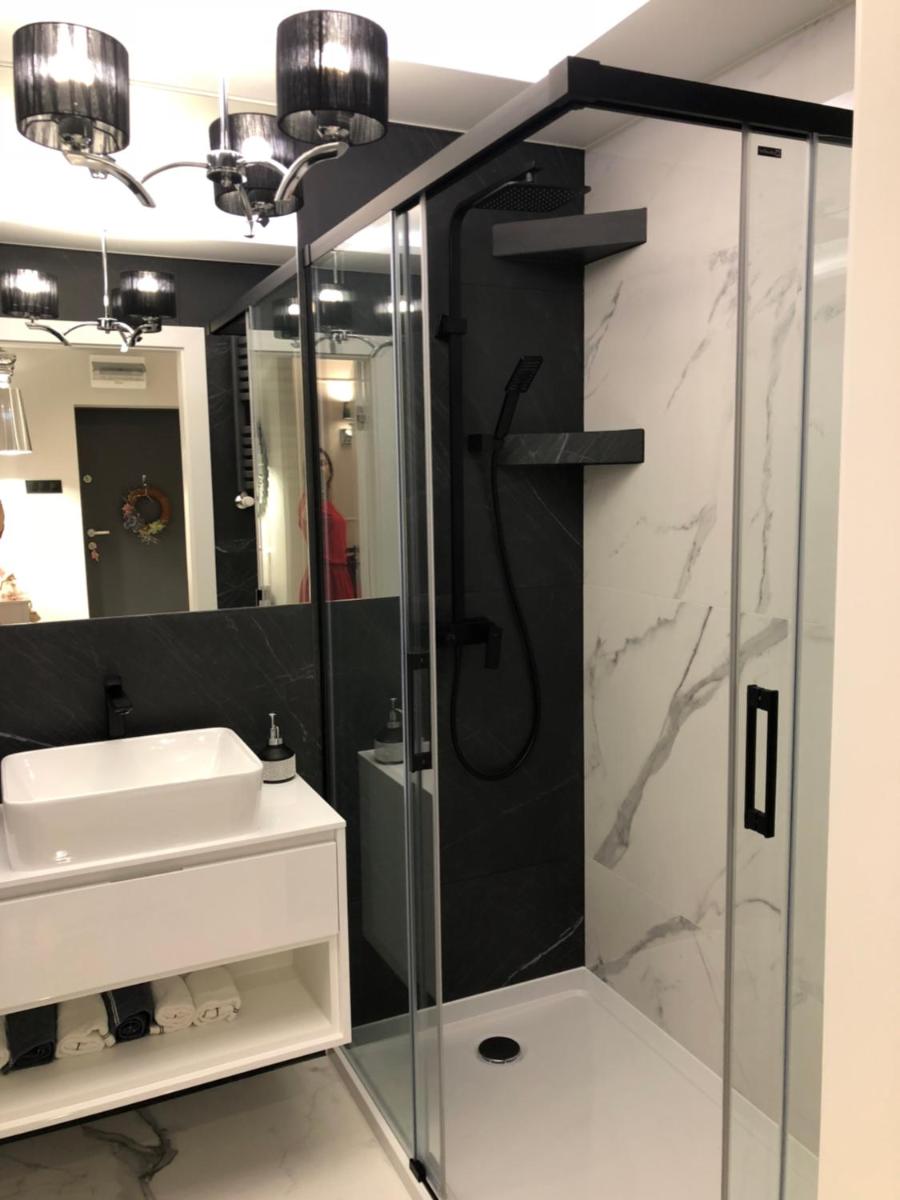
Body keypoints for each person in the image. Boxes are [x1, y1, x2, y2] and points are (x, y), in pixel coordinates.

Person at [298, 448, 357, 601]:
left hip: (339, 572)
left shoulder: (326, 502)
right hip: (324, 573)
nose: (320, 468)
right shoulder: (309, 502)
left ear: (330, 470)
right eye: (316, 464)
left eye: (323, 463)